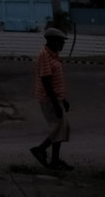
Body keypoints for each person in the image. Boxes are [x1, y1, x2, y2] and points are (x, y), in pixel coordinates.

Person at [30, 27, 72, 171]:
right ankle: (41, 150)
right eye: (60, 41)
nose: (62, 44)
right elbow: (46, 82)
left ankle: (54, 159)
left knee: (61, 128)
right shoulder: (44, 56)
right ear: (52, 41)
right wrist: (56, 104)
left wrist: (63, 99)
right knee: (58, 127)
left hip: (56, 98)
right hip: (49, 99)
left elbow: (55, 81)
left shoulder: (53, 55)